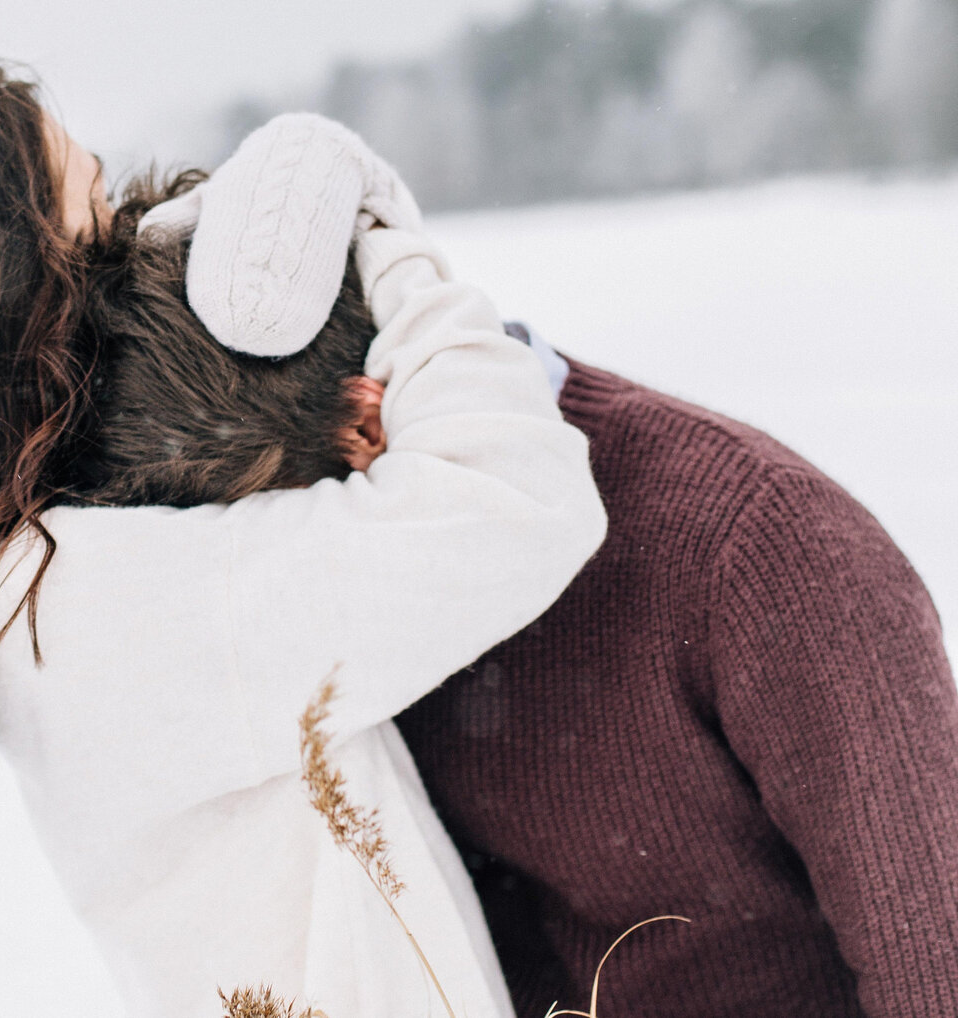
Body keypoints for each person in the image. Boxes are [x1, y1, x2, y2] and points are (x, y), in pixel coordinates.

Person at [0, 59, 606, 1016]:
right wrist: (377, 243)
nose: (140, 241)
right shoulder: (96, 609)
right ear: (17, 283)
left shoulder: (24, 581)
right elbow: (515, 500)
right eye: (105, 214)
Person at [95, 152, 958, 1016]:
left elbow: (935, 967)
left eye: (283, 514)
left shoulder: (764, 551)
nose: (281, 561)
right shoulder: (361, 597)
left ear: (366, 424)